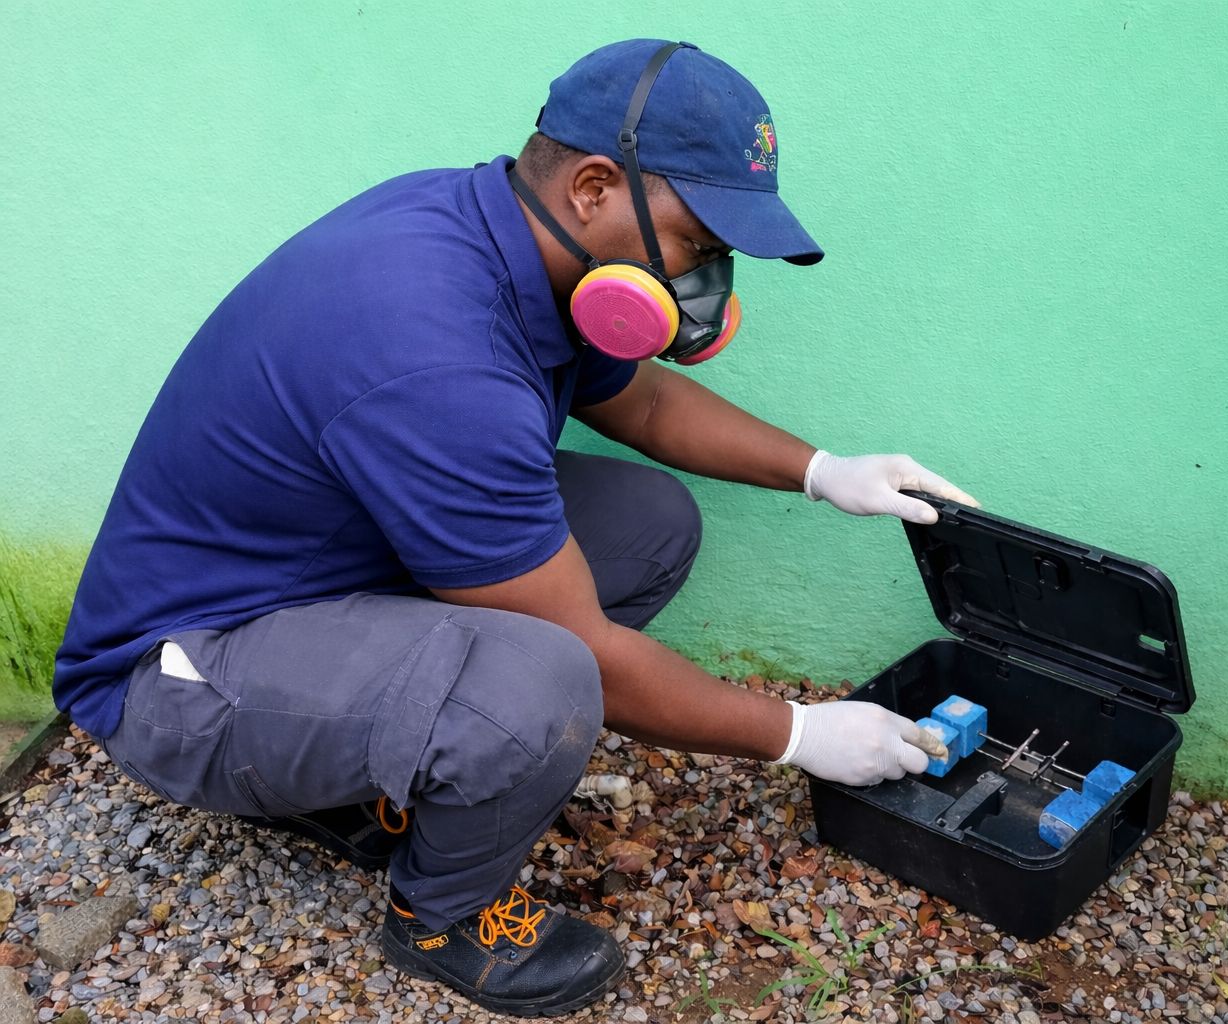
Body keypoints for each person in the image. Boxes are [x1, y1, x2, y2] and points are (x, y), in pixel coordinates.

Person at [53, 38, 975, 1017]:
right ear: (593, 188)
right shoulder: (435, 352)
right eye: (701, 242)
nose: (709, 277)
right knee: (542, 682)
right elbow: (587, 653)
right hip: (181, 676)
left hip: (315, 581)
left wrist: (824, 471)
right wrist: (800, 734)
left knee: (649, 523)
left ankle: (374, 772)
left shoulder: (506, 240)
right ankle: (443, 915)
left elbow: (644, 404)